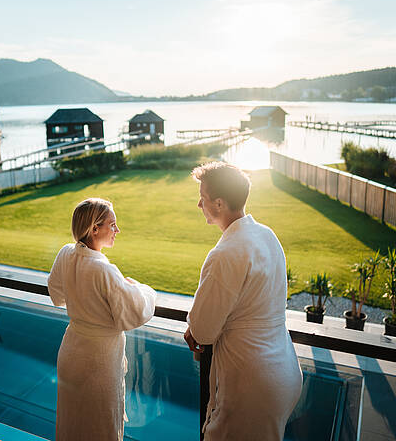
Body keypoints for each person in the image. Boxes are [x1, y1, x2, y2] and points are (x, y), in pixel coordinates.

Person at [184, 162, 302, 441]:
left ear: (220, 203)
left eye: (203, 198)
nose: (199, 204)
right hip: (284, 369)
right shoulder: (267, 235)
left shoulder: (225, 253)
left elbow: (202, 330)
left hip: (252, 385)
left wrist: (193, 327)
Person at [48, 198, 156, 441]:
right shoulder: (104, 270)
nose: (117, 230)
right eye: (113, 225)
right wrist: (143, 288)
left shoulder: (66, 253)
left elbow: (56, 295)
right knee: (100, 424)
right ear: (94, 229)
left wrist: (83, 302)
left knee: (73, 420)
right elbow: (135, 311)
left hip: (72, 351)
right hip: (99, 360)